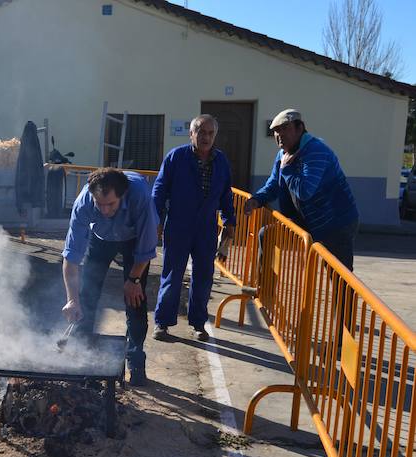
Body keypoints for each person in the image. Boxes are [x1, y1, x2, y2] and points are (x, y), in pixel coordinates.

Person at [61, 167, 158, 386]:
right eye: (99, 204)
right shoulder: (84, 201)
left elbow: (147, 246)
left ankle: (135, 361)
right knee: (87, 294)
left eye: (110, 204)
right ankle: (79, 354)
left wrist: (133, 281)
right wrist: (71, 299)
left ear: (121, 196)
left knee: (135, 300)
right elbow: (71, 257)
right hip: (101, 238)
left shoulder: (140, 196)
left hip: (133, 240)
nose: (104, 210)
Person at [151, 114, 236, 342]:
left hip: (206, 227)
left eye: (210, 133)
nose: (205, 137)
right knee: (172, 275)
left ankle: (199, 324)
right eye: (200, 131)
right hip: (178, 224)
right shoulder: (176, 157)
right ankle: (163, 323)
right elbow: (159, 189)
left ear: (215, 135)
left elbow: (226, 193)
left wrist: (230, 221)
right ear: (191, 134)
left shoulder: (221, 161)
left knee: (204, 277)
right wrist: (155, 219)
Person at [244, 109, 359, 270]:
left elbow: (305, 191)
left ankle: (345, 296)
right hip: (306, 222)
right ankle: (265, 291)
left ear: (300, 128)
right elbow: (273, 185)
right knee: (267, 235)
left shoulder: (316, 151)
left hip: (335, 223)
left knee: (340, 275)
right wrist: (257, 199)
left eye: (285, 128)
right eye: (276, 131)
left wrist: (287, 169)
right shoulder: (283, 155)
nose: (280, 134)